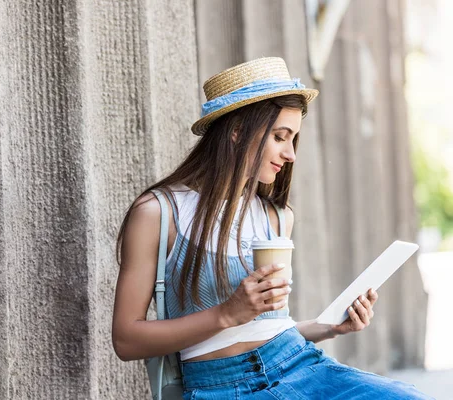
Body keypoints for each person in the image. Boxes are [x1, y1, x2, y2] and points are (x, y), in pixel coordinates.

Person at [111, 57, 432, 399]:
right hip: (220, 386)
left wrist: (329, 327)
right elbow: (126, 339)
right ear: (237, 132)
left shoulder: (276, 217)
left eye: (293, 139)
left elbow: (269, 327)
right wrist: (227, 313)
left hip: (300, 364)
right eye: (281, 137)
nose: (291, 154)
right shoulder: (159, 212)